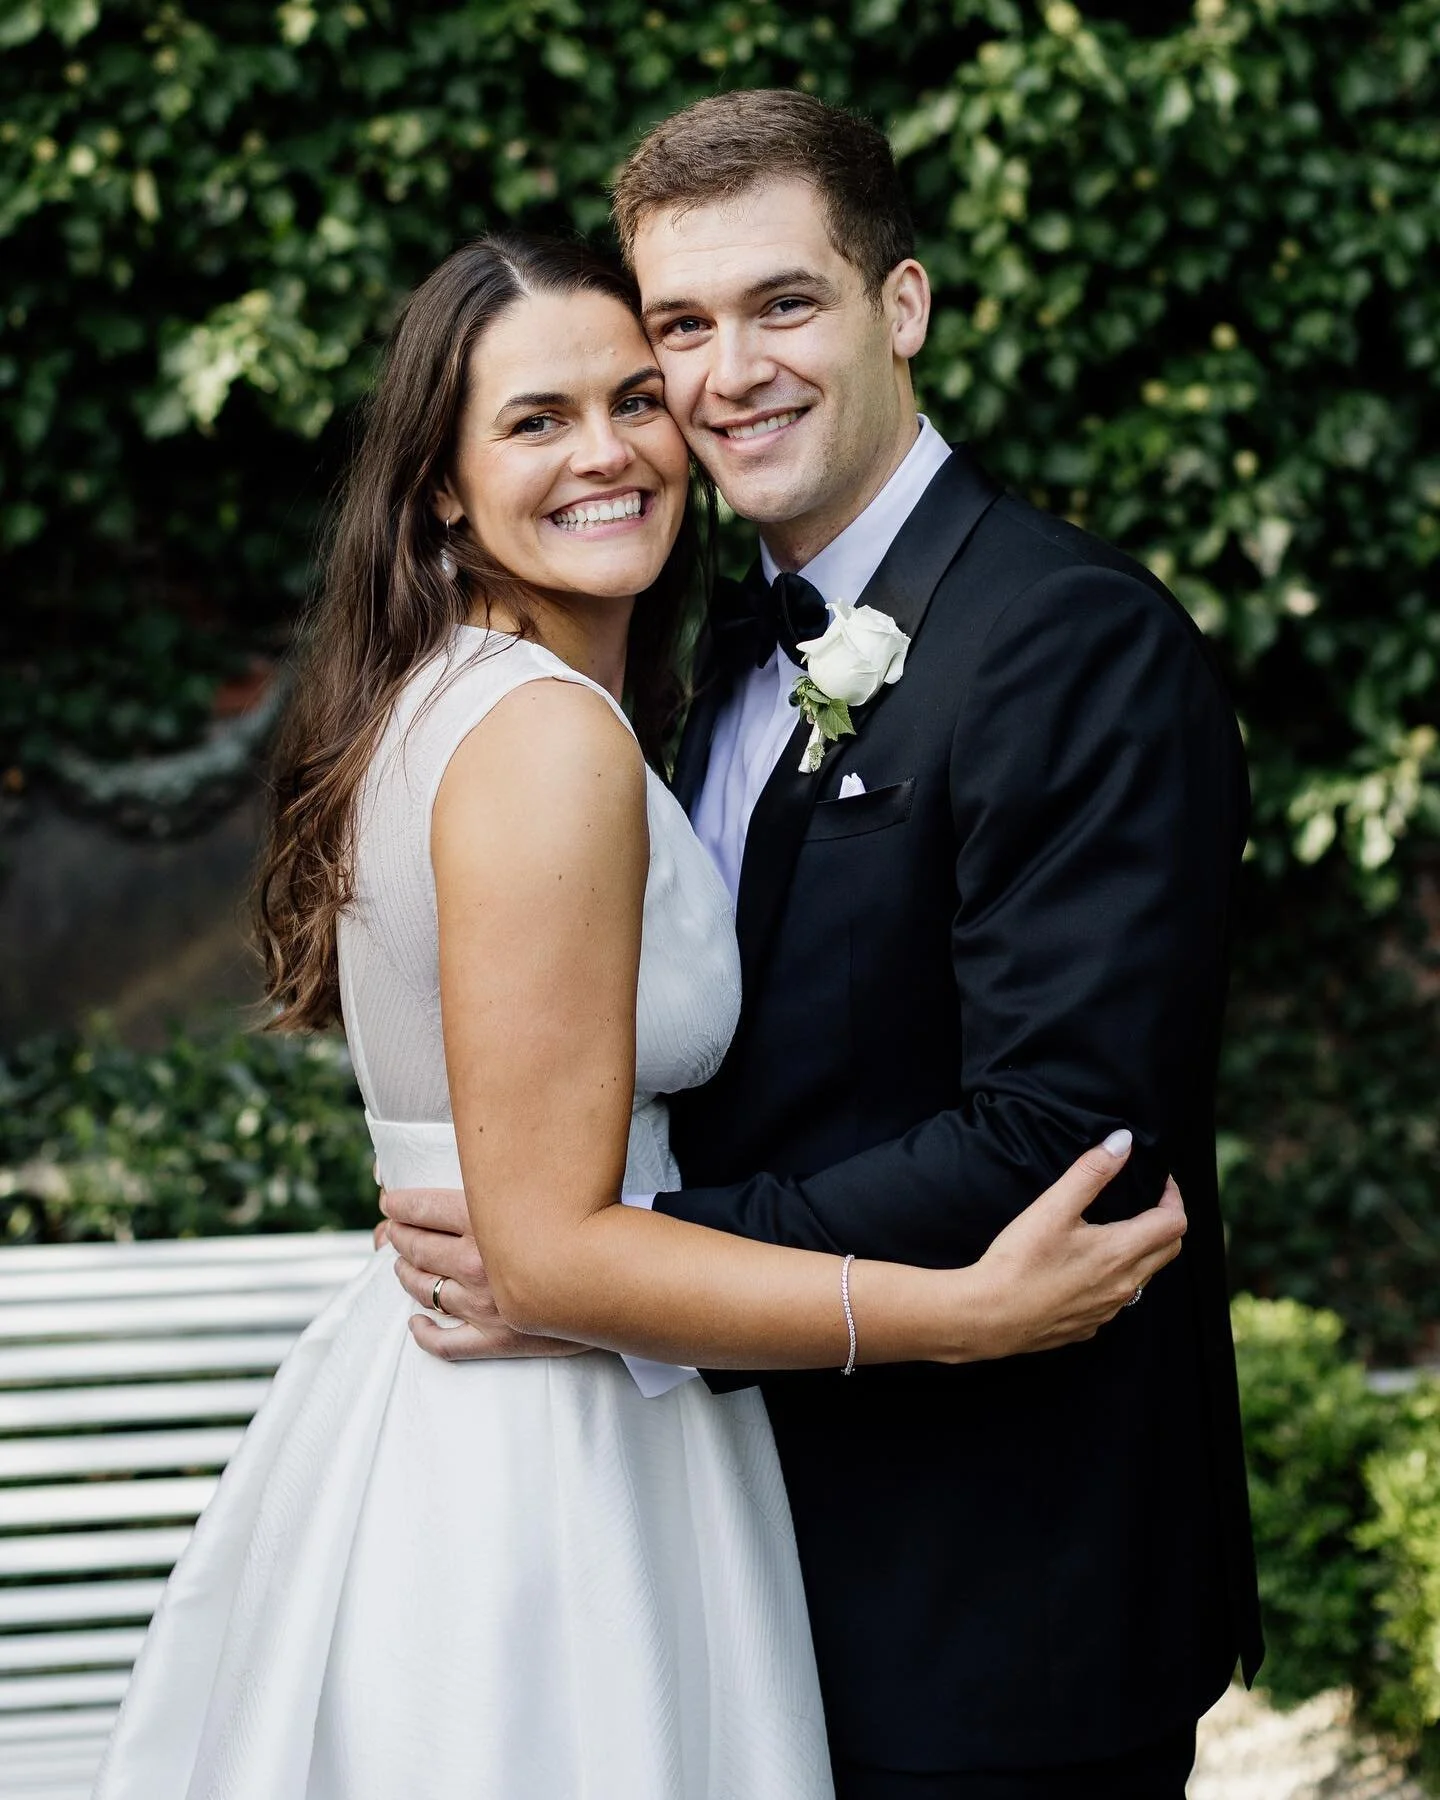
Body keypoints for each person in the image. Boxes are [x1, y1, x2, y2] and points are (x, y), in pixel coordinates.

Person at [91, 233, 1182, 1800]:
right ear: (443, 488)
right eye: (535, 421)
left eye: (632, 399)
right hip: (551, 1442)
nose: (606, 452)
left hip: (508, 1393)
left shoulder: (470, 701)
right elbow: (543, 1250)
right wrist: (961, 1314)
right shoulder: (544, 741)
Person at [385, 90, 1263, 1799]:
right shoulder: (682, 652)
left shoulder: (1072, 645)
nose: (727, 377)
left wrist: (605, 1267)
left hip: (999, 1591)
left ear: (902, 307)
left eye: (784, 304)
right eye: (680, 330)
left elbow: (1055, 1138)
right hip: (731, 1547)